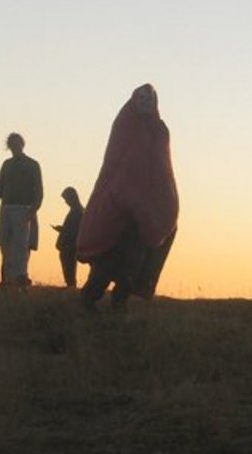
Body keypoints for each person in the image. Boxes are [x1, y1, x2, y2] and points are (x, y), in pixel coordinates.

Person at [76, 84, 178, 310]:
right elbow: (117, 161)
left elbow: (162, 168)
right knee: (109, 259)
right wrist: (126, 192)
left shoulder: (160, 131)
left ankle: (119, 304)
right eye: (141, 97)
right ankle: (89, 298)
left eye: (150, 98)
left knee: (135, 260)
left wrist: (160, 201)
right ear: (134, 100)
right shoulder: (124, 125)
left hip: (144, 209)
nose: (145, 101)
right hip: (118, 204)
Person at [0, 132, 43, 289]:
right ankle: (8, 278)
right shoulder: (7, 164)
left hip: (24, 208)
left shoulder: (32, 164)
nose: (15, 147)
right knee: (5, 243)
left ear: (22, 144)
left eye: (17, 143)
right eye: (12, 144)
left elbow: (38, 189)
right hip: (7, 208)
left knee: (21, 245)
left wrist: (33, 208)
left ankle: (21, 277)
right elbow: (0, 185)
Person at [51, 187, 85, 288]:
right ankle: (70, 286)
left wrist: (62, 229)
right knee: (69, 268)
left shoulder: (77, 211)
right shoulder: (77, 210)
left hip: (69, 245)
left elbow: (74, 230)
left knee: (69, 268)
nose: (66, 202)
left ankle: (71, 287)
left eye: (66, 199)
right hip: (68, 245)